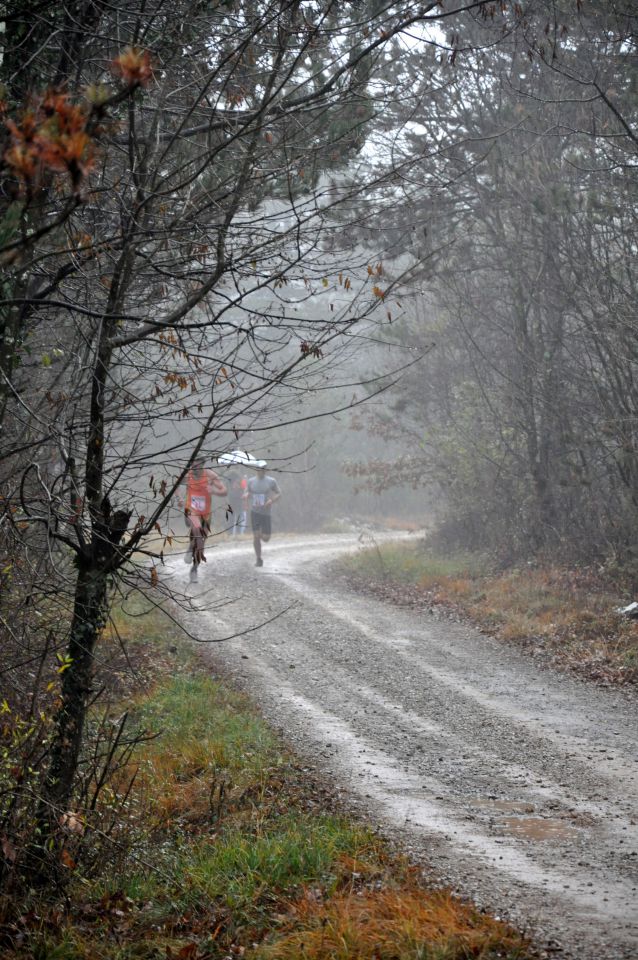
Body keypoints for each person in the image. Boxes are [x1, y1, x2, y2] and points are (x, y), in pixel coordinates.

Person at [179, 457, 227, 581]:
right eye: (193, 466)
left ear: (202, 465)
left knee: (201, 543)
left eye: (197, 466)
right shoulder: (187, 474)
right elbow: (176, 484)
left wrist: (214, 491)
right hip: (191, 510)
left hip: (205, 514)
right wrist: (178, 498)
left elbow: (224, 490)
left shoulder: (210, 475)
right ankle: (190, 548)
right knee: (197, 528)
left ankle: (194, 569)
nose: (194, 469)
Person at [247, 460, 281, 567]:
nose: (262, 470)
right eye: (260, 468)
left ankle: (260, 535)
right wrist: (246, 495)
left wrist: (271, 500)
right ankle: (258, 558)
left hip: (266, 513)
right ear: (256, 469)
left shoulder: (271, 481)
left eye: (264, 468)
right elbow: (247, 492)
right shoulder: (251, 481)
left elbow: (279, 493)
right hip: (255, 512)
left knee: (266, 538)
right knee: (256, 537)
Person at [226, 470, 247, 535]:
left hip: (236, 499)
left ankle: (234, 533)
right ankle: (232, 533)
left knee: (236, 517)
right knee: (234, 517)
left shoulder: (239, 480)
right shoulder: (235, 479)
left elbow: (244, 488)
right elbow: (243, 489)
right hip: (234, 500)